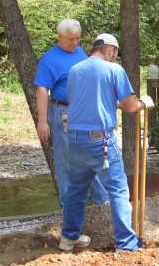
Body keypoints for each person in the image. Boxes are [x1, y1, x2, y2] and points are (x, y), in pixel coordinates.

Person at [58, 33, 154, 252]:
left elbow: (85, 101)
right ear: (109, 49)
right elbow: (130, 106)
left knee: (76, 191)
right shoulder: (114, 70)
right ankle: (126, 245)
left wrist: (113, 104)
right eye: (115, 53)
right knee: (118, 190)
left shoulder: (75, 70)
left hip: (74, 138)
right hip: (100, 141)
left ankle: (69, 238)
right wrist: (143, 103)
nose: (115, 57)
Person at [33, 19, 109, 207]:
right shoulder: (50, 59)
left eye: (77, 39)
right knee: (67, 159)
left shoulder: (81, 53)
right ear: (60, 37)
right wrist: (42, 121)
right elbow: (42, 89)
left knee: (90, 154)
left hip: (85, 111)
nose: (75, 43)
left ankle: (102, 201)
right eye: (70, 40)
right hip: (63, 112)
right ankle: (70, 207)